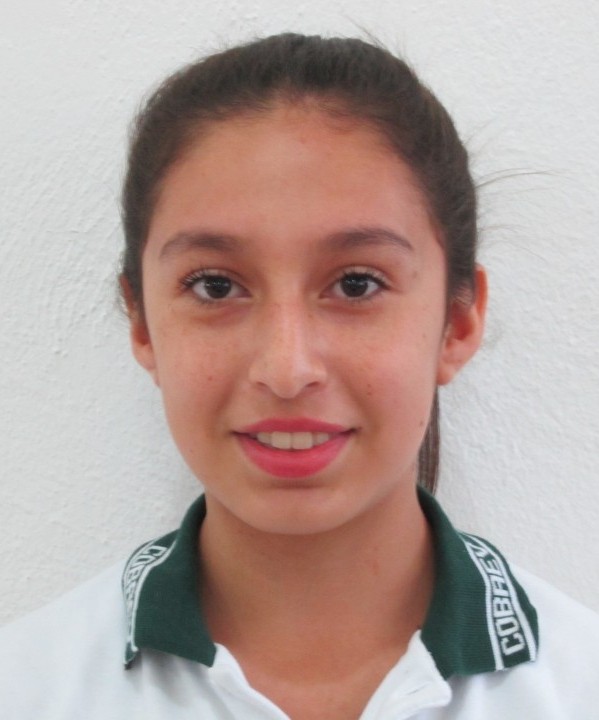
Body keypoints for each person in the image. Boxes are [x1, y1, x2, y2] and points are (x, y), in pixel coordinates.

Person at [1, 32, 598, 720]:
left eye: (356, 283)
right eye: (216, 286)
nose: (287, 369)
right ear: (142, 324)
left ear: (457, 322)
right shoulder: (26, 690)